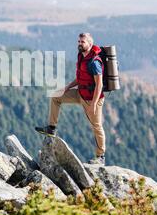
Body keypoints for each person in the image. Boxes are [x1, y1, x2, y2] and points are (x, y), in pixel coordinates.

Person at [35, 32, 107, 165]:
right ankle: (51, 128)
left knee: (96, 126)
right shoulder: (81, 56)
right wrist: (67, 87)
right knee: (56, 96)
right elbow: (81, 77)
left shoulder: (94, 62)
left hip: (92, 99)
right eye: (79, 42)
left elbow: (99, 85)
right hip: (80, 93)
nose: (80, 44)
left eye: (82, 42)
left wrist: (93, 104)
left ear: (90, 44)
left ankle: (100, 156)